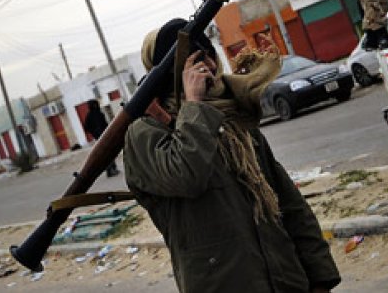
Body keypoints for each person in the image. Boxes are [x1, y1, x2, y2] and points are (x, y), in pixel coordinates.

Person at [123, 18, 341, 293]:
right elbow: (187, 175)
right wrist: (194, 105)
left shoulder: (234, 120)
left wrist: (320, 278)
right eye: (197, 61)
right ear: (173, 73)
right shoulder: (145, 133)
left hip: (287, 282)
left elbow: (290, 204)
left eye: (210, 56)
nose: (211, 68)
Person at [83, 99, 120, 177]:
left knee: (108, 154)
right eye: (95, 104)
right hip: (101, 138)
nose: (97, 105)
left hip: (104, 136)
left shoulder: (98, 114)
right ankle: (110, 170)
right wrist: (95, 133)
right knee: (106, 154)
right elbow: (87, 128)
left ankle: (112, 169)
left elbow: (104, 125)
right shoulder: (91, 115)